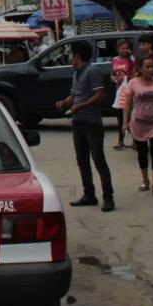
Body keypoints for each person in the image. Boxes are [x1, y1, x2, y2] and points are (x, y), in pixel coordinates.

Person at [55, 41, 114, 212]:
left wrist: (79, 107)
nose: (69, 58)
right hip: (78, 123)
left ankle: (108, 197)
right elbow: (74, 95)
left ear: (77, 56)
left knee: (99, 161)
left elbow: (99, 95)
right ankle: (89, 194)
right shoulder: (76, 73)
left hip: (92, 123)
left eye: (71, 54)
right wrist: (64, 103)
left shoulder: (92, 71)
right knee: (82, 161)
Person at [124, 56, 153, 196]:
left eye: (152, 67)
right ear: (139, 68)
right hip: (138, 123)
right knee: (143, 153)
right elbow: (127, 103)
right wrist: (125, 122)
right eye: (148, 67)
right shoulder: (133, 83)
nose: (151, 69)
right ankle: (145, 180)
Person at [110, 39, 135, 150]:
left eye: (126, 48)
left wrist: (131, 57)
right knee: (120, 116)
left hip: (129, 91)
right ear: (117, 49)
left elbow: (135, 72)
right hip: (119, 91)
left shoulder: (131, 60)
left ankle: (135, 140)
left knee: (131, 116)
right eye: (122, 48)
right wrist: (114, 78)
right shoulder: (114, 60)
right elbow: (112, 74)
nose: (124, 50)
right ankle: (121, 140)